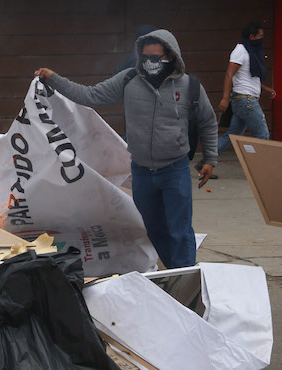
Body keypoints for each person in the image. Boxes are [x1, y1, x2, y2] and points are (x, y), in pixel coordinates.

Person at [35, 29, 218, 269]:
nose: (150, 63)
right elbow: (90, 95)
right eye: (145, 57)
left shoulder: (190, 87)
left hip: (175, 170)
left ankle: (184, 279)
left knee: (180, 230)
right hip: (142, 173)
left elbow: (208, 121)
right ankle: (174, 272)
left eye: (156, 58)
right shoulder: (128, 80)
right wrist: (53, 78)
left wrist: (210, 158)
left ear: (171, 57)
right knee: (154, 229)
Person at [209, 21, 276, 164]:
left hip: (244, 101)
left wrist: (264, 88)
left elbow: (247, 77)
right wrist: (225, 98)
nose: (262, 39)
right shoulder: (241, 50)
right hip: (246, 101)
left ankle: (206, 162)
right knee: (262, 135)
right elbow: (229, 74)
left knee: (232, 135)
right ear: (252, 37)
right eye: (261, 36)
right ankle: (262, 170)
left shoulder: (252, 53)